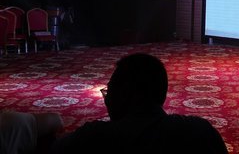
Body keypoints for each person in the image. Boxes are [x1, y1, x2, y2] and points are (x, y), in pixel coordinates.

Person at [51, 53, 227, 154]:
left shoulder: (94, 138)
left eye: (109, 91)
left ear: (125, 95)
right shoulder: (201, 131)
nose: (107, 99)